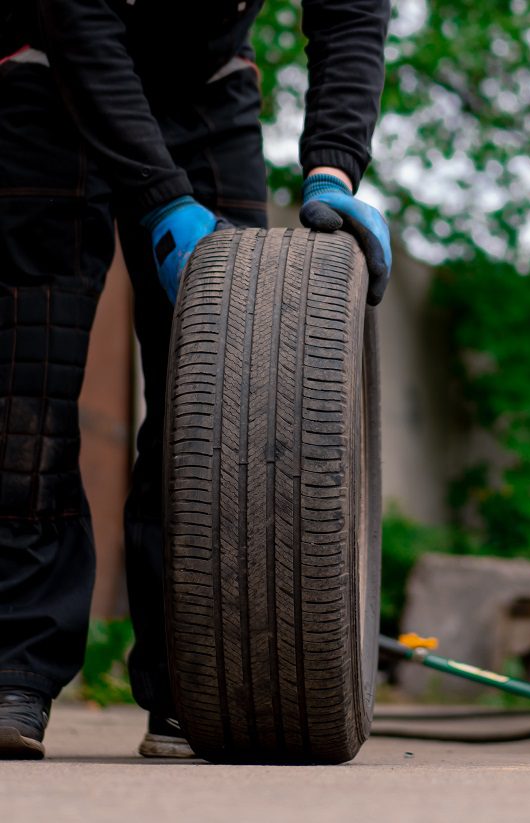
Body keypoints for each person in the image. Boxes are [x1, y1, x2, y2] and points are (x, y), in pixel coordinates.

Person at [0, 0, 392, 760]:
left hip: (204, 89)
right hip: (49, 68)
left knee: (220, 403)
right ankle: (15, 664)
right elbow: (76, 18)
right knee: (25, 382)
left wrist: (333, 168)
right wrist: (159, 195)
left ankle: (194, 676)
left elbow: (348, 16)